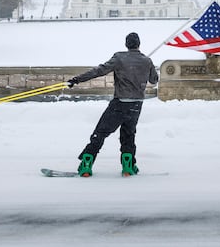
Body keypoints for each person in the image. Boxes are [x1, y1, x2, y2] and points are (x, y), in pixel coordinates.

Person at [67, 32, 159, 177]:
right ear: (138, 44)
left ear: (126, 44)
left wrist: (77, 79)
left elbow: (99, 71)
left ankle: (86, 164)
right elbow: (154, 80)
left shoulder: (119, 58)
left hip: (120, 103)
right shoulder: (146, 60)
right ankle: (128, 166)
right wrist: (149, 67)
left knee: (100, 133)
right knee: (128, 134)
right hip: (136, 104)